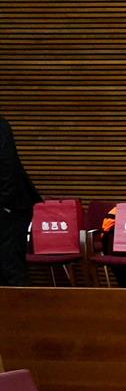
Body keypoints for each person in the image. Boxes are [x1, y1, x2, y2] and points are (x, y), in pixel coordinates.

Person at [0, 114, 39, 287]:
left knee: (10, 267)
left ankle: (22, 312)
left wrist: (4, 204)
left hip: (10, 207)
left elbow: (7, 165)